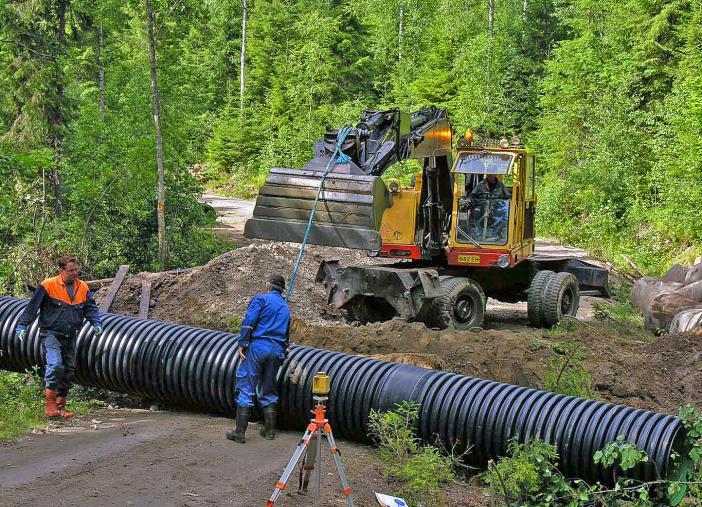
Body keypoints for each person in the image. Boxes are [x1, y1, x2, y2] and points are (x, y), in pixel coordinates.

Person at [15, 255, 103, 418]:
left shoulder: (82, 287)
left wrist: (96, 323)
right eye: (71, 270)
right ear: (61, 270)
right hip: (51, 334)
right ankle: (49, 403)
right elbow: (32, 306)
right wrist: (22, 325)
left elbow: (90, 307)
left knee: (69, 369)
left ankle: (61, 405)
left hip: (71, 335)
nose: (75, 273)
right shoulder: (48, 285)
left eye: (76, 269)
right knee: (55, 365)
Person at [226, 274, 291, 444]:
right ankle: (269, 431)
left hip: (258, 348)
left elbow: (249, 321)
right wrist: (284, 347)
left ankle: (239, 433)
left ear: (268, 286)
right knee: (269, 389)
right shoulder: (285, 307)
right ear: (282, 290)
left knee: (246, 387)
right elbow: (286, 333)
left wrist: (242, 342)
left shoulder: (261, 299)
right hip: (276, 351)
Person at [467, 175, 510, 242]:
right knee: (476, 212)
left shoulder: (500, 185)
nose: (489, 176)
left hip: (496, 207)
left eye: (491, 174)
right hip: (483, 207)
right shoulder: (481, 184)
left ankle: (495, 234)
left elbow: (508, 196)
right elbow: (473, 195)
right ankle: (479, 234)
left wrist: (502, 200)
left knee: (504, 214)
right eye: (488, 174)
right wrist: (474, 200)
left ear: (495, 175)